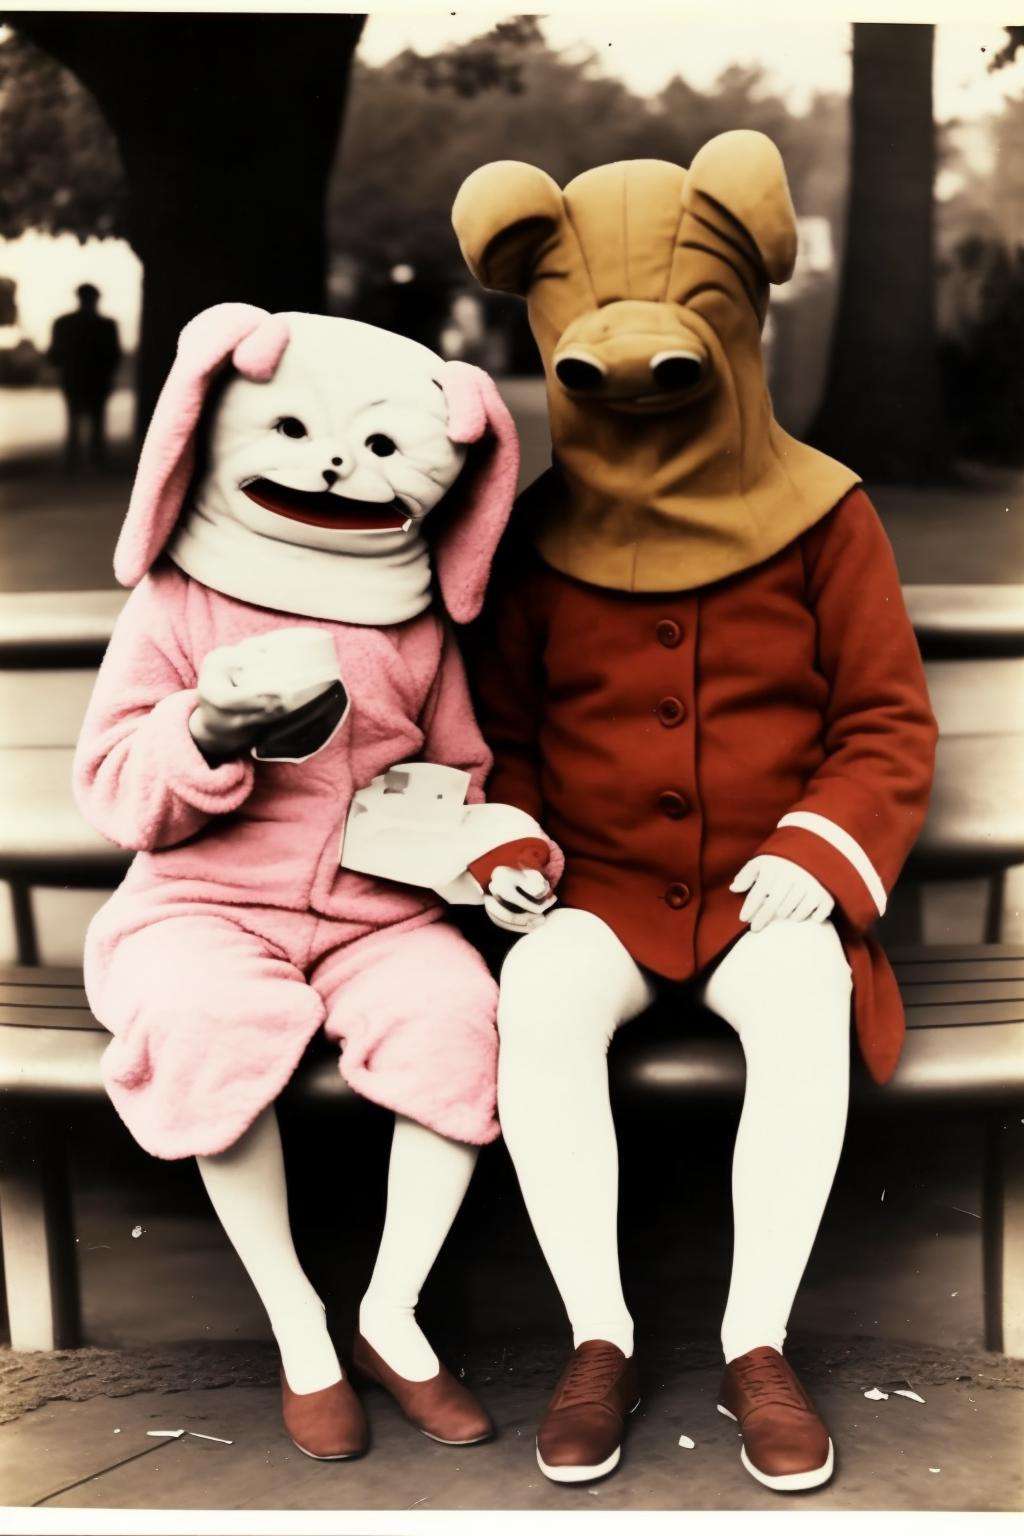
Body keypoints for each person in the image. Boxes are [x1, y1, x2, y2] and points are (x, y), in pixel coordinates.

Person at [453, 133, 938, 1492]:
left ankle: (756, 1339)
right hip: (600, 888)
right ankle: (597, 1332)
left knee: (799, 1003)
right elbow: (501, 735)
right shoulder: (539, 539)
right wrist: (511, 840)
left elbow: (885, 720)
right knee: (539, 1001)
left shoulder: (824, 514)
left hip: (763, 893)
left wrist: (819, 848)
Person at [73, 303, 558, 1461]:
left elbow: (461, 778)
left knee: (460, 1017)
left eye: (386, 447)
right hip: (203, 905)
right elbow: (112, 786)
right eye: (291, 429)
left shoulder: (418, 626)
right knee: (206, 1020)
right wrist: (202, 730)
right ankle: (298, 1324)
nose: (337, 464)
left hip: (373, 917)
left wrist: (499, 861)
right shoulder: (178, 602)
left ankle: (391, 1312)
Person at [47, 282, 121, 468]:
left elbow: (54, 356)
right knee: (97, 422)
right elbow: (114, 356)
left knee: (73, 420)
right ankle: (97, 461)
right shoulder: (107, 325)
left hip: (73, 380)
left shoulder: (63, 324)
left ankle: (73, 462)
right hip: (98, 381)